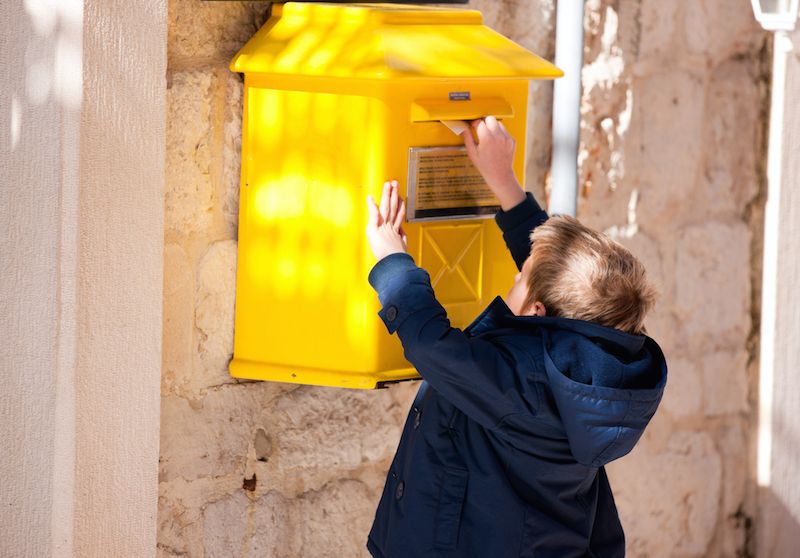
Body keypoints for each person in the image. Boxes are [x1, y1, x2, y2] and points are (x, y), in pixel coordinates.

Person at [363, 116, 667, 558]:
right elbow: (553, 273)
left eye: (519, 277)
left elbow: (432, 344)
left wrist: (392, 260)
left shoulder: (521, 382)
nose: (517, 272)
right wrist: (503, 182)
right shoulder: (601, 356)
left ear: (537, 312)